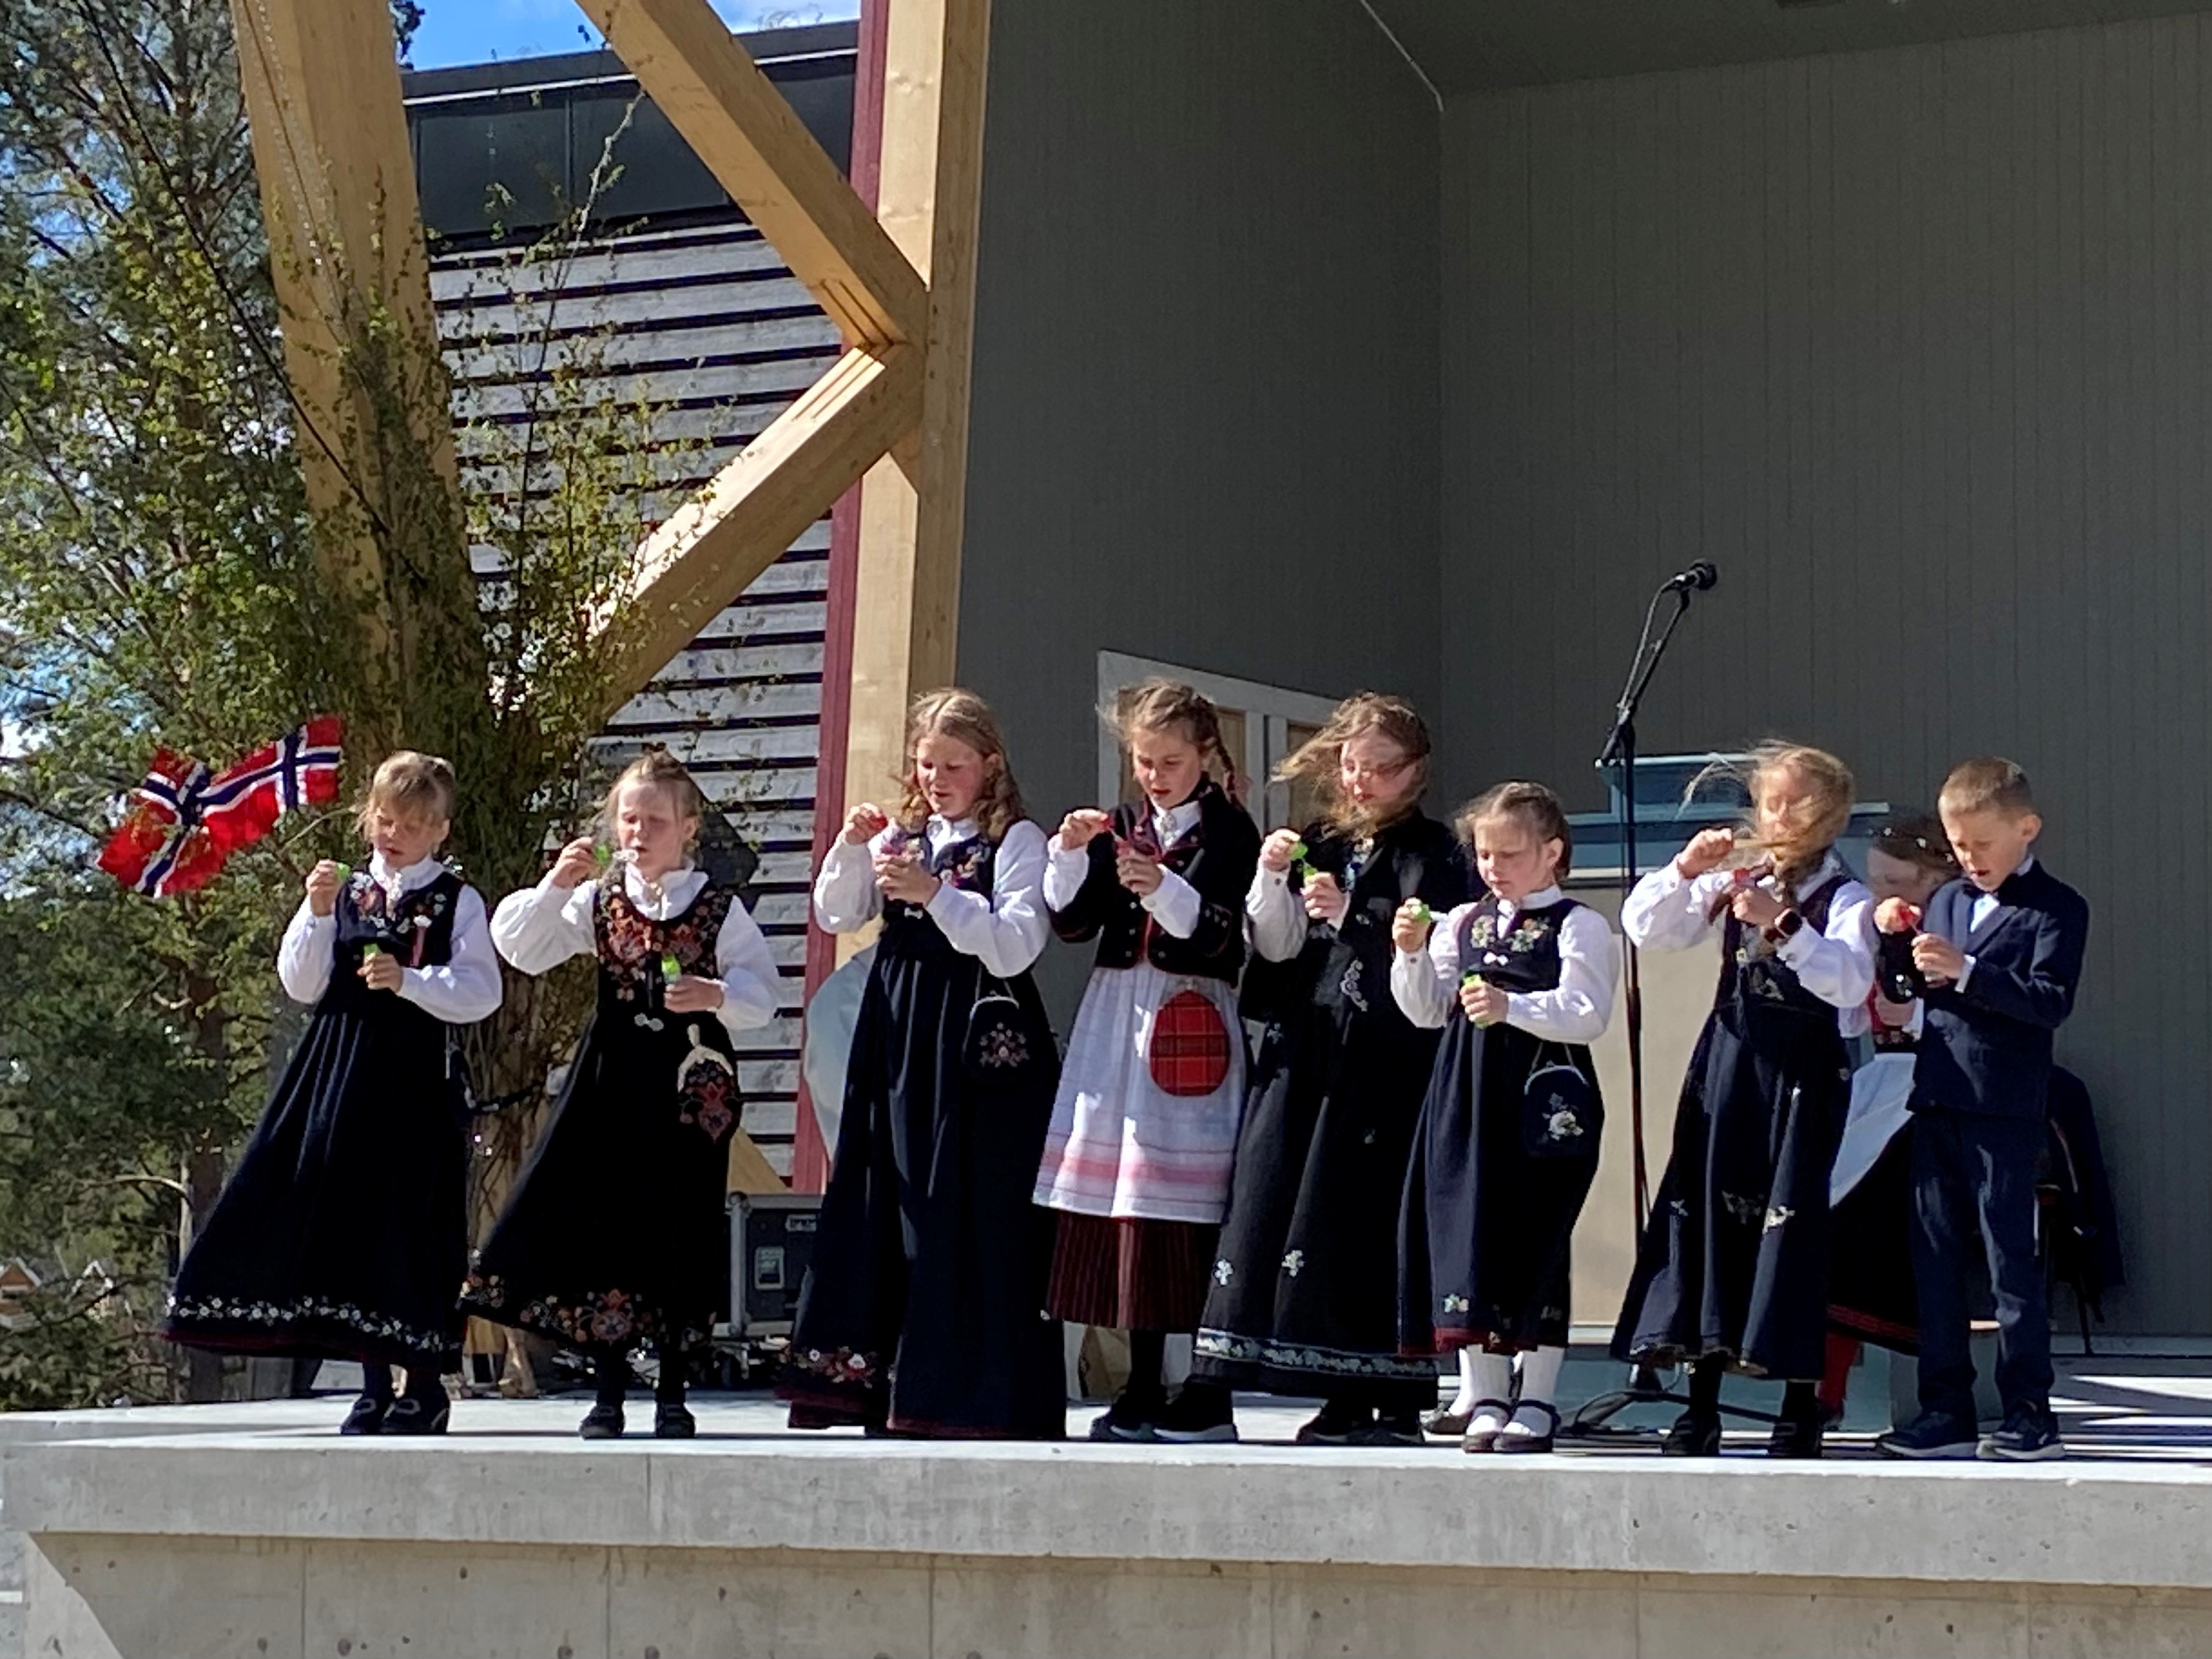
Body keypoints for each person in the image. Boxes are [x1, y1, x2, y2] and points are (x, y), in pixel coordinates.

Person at [164, 751, 502, 1435]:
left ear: (440, 830)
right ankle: (371, 1383)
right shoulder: (345, 891)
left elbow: (481, 991)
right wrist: (317, 913)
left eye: (413, 824)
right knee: (344, 1218)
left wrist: (412, 981)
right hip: (340, 1074)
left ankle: (424, 1382)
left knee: (411, 1222)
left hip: (414, 1084)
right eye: (386, 820)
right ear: (367, 818)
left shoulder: (456, 900)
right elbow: (302, 982)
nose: (395, 834)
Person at [464, 749, 780, 1439]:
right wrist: (555, 883)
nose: (638, 833)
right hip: (612, 1080)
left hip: (686, 1090)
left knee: (682, 1228)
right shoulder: (601, 899)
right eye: (629, 820)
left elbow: (764, 995)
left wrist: (715, 994)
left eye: (655, 821)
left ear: (688, 827)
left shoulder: (717, 908)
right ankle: (607, 1392)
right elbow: (521, 947)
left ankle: (673, 1391)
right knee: (606, 1227)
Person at [780, 689, 1065, 1439]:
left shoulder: (1015, 841)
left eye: (954, 765)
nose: (937, 780)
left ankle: (970, 1392)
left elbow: (1014, 945)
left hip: (976, 1044)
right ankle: (876, 1384)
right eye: (926, 764)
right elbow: (836, 913)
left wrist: (936, 896)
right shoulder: (904, 838)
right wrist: (851, 848)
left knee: (975, 1202)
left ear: (990, 765)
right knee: (890, 1190)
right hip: (901, 1031)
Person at [1192, 693, 1469, 1445]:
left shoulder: (1436, 855)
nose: (1360, 782)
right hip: (1306, 1045)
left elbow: (1436, 959)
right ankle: (1304, 1383)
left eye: (1380, 769)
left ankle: (1385, 1394)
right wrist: (1272, 882)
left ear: (1415, 772)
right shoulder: (1322, 840)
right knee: (1278, 1198)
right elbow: (1278, 949)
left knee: (1360, 1217)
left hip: (1383, 1063)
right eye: (1351, 766)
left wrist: (1353, 915)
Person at [1611, 743, 1875, 1458]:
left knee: (1792, 1223)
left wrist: (1783, 925)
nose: (1777, 816)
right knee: (1709, 1218)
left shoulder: (1844, 898)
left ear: (1829, 815)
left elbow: (1850, 984)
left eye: (1794, 803)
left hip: (1800, 1072)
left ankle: (1800, 1404)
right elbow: (1648, 928)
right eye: (1768, 802)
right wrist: (1686, 870)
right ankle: (1700, 1403)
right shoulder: (1740, 877)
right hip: (1731, 1060)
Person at [1037, 679, 1261, 1443]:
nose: (1156, 776)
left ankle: (1204, 1388)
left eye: (1171, 762)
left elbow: (1225, 936)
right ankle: (1138, 1383)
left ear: (1205, 755)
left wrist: (1165, 889)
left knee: (1183, 1209)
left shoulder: (1231, 832)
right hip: (1118, 1023)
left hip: (1190, 1017)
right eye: (1144, 761)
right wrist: (1070, 855)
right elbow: (1075, 923)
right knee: (1128, 1202)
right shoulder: (1124, 824)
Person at [1394, 782, 1619, 1454]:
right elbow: (1426, 1010)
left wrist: (1512, 1007)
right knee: (1466, 1232)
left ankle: (1538, 1396)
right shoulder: (1465, 921)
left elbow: (1588, 1012)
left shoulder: (1577, 924)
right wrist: (1410, 953)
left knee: (1536, 1236)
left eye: (1510, 854)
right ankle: (1486, 1393)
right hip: (1465, 1091)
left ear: (1552, 852)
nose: (1494, 867)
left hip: (1541, 1097)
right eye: (1485, 854)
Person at [1876, 758, 2090, 1462]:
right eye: (1958, 845)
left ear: (2027, 829)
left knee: (2009, 1260)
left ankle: (2030, 1411)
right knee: (1933, 1258)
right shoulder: (1947, 901)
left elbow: (2049, 1001)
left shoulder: (2056, 908)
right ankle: (1946, 1408)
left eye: (1984, 844)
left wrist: (1967, 971)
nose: (1971, 858)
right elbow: (1910, 990)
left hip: (2004, 1105)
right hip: (1939, 1095)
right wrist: (1893, 945)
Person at [1818, 812, 1957, 1423]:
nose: (1884, 894)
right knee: (1833, 1230)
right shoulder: (1867, 926)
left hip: (1931, 1089)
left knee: (1888, 1244)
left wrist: (1915, 1005)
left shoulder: (1949, 928)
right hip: (1880, 1086)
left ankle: (1939, 1397)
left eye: (1898, 882)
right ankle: (1823, 1390)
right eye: (1876, 880)